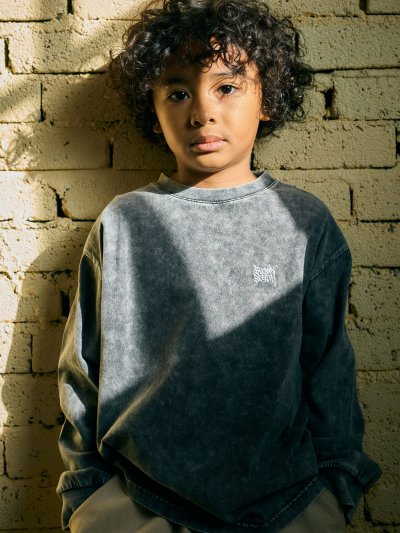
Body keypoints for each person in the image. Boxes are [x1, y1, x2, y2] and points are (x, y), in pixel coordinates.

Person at [56, 1, 381, 531]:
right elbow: (81, 371)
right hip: (138, 500)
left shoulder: (304, 222)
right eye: (178, 93)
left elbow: (330, 371)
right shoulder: (124, 222)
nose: (202, 111)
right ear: (153, 109)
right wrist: (87, 495)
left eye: (226, 87)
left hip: (288, 503)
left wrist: (337, 488)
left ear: (266, 99)